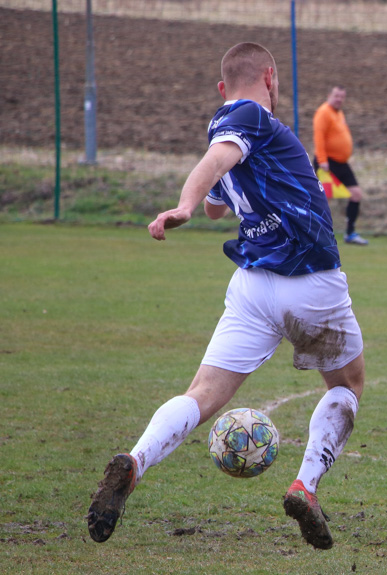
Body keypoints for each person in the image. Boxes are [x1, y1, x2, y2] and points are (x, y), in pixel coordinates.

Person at [86, 42, 365, 551]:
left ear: (220, 86)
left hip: (254, 286)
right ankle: (305, 485)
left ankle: (136, 461)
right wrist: (184, 205)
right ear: (270, 77)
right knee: (348, 384)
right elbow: (214, 164)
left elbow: (222, 192)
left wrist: (215, 194)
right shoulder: (249, 115)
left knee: (204, 393)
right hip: (312, 280)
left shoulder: (239, 131)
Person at [313, 85, 369, 246]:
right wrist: (322, 160)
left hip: (341, 163)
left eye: (342, 97)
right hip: (327, 163)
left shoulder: (338, 113)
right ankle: (317, 235)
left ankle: (350, 234)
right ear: (329, 95)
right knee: (324, 199)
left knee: (356, 194)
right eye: (336, 96)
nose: (339, 99)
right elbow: (319, 137)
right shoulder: (323, 112)